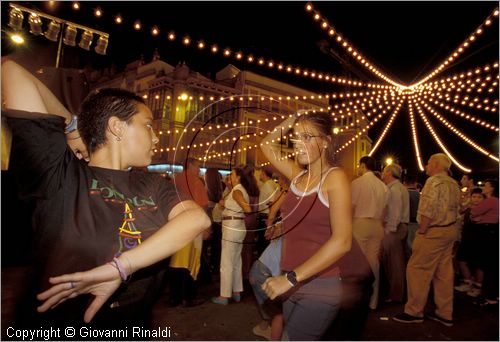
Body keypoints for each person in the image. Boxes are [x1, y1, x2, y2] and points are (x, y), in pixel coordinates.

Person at [1, 59, 211, 328]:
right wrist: (75, 128)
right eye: (148, 125)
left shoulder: (155, 185)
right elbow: (10, 71)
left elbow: (197, 219)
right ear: (117, 127)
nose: (156, 137)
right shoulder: (61, 173)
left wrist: (120, 268)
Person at [260, 111, 352, 340]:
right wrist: (291, 120)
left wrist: (290, 279)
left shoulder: (334, 178)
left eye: (308, 137)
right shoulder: (298, 177)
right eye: (296, 137)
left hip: (319, 286)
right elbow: (266, 145)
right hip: (291, 283)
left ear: (326, 142)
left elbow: (342, 242)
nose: (298, 144)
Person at [393, 153, 460, 327]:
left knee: (417, 270)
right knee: (443, 273)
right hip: (449, 230)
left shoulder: (434, 182)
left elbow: (428, 209)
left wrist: (422, 231)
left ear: (437, 165)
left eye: (429, 162)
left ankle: (414, 311)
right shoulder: (453, 183)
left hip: (433, 231)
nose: (426, 165)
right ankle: (445, 313)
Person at [211, 165, 259, 305]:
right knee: (236, 261)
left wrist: (226, 204)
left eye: (232, 174)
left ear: (238, 177)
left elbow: (247, 209)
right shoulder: (239, 189)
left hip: (232, 227)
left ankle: (224, 296)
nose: (230, 176)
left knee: (226, 262)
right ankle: (236, 291)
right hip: (237, 227)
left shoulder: (237, 191)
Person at [169, 158, 210, 307]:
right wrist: (206, 227)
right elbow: (203, 206)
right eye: (198, 166)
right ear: (190, 165)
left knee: (176, 261)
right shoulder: (196, 182)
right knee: (192, 261)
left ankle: (175, 297)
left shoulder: (175, 180)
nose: (199, 169)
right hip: (192, 226)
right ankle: (189, 297)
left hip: (175, 225)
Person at [351, 156, 389, 310]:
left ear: (363, 165)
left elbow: (351, 207)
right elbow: (385, 210)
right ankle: (373, 301)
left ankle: (357, 297)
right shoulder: (383, 186)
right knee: (374, 262)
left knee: (357, 260)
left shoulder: (357, 183)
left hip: (360, 222)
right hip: (377, 224)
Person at [381, 163, 409, 303]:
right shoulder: (397, 188)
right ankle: (396, 293)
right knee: (394, 262)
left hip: (395, 229)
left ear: (389, 174)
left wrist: (388, 230)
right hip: (397, 227)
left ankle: (396, 295)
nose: (382, 174)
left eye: (384, 171)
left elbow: (395, 213)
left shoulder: (395, 189)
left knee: (395, 264)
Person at [471, 179, 499, 307]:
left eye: (486, 186)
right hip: (491, 232)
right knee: (491, 265)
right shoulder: (495, 201)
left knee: (488, 265)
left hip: (487, 232)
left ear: (492, 188)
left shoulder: (491, 200)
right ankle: (492, 295)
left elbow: (474, 212)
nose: (483, 187)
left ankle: (489, 296)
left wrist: (478, 218)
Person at [454, 187, 484, 296]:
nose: (476, 199)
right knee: (461, 259)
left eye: (479, 197)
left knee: (478, 263)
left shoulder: (485, 210)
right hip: (466, 238)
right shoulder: (468, 209)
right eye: (474, 197)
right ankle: (468, 282)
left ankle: (477, 286)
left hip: (479, 239)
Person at [205, 167, 225, 274]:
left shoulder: (205, 189)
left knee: (207, 245)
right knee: (216, 245)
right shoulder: (221, 188)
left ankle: (207, 269)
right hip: (218, 220)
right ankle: (215, 266)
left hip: (209, 219)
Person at [403, 174, 421, 257]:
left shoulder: (403, 194)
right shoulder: (419, 195)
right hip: (417, 223)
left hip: (406, 223)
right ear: (415, 183)